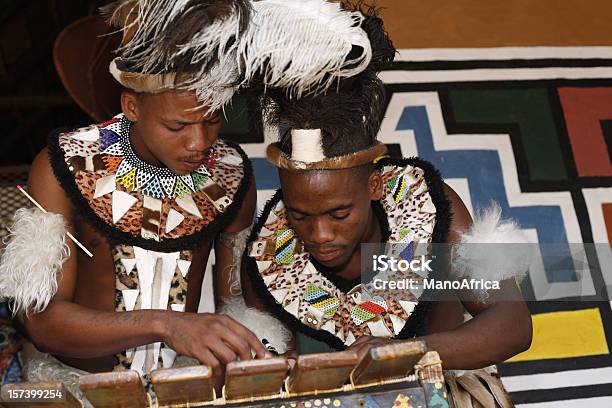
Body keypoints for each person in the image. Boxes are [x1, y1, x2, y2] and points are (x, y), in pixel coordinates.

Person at [0, 0, 379, 396]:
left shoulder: (231, 175)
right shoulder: (63, 165)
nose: (199, 142)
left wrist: (261, 354)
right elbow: (42, 323)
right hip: (69, 389)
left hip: (179, 388)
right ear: (132, 107)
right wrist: (169, 324)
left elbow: (238, 304)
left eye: (213, 118)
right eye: (177, 125)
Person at [243, 7, 532, 405]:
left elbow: (513, 325)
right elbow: (277, 376)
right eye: (300, 215)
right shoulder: (268, 253)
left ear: (375, 185)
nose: (319, 234)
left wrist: (405, 354)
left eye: (339, 213)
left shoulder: (427, 206)